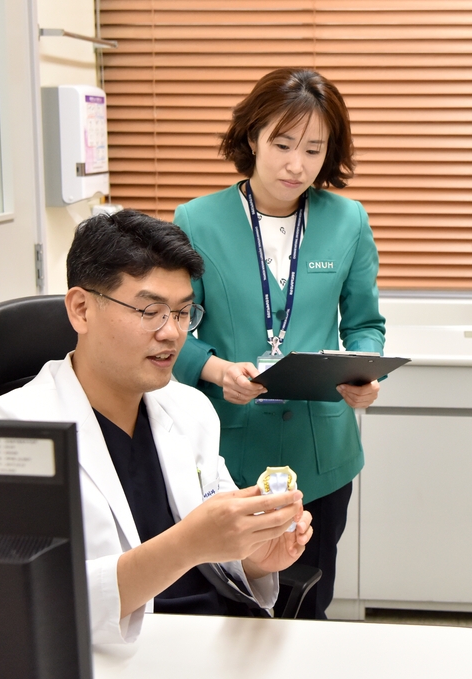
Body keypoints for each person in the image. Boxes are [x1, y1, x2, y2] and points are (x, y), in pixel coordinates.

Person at [0, 210, 313, 645]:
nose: (172, 333)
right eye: (150, 310)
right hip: (115, 651)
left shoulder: (190, 409)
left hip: (211, 640)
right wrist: (186, 545)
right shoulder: (11, 432)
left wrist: (257, 558)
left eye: (183, 313)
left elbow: (216, 550)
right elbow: (33, 600)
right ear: (81, 309)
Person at [172, 68, 386, 619]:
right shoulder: (196, 220)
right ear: (252, 139)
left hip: (322, 453)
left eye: (314, 150)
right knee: (228, 601)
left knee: (310, 598)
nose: (297, 165)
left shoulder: (347, 221)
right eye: (283, 144)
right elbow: (170, 329)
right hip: (229, 449)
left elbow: (365, 324)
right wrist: (217, 369)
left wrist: (366, 377)